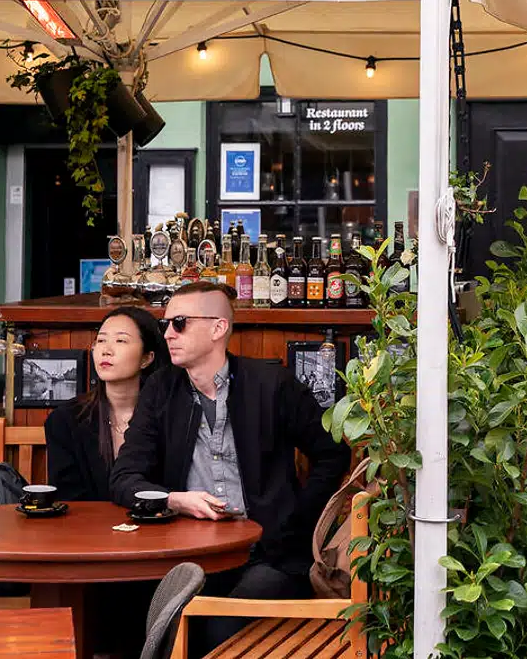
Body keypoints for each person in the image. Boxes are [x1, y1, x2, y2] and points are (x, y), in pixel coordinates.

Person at [110, 279, 352, 653]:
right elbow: (124, 478)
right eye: (165, 324)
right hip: (191, 555)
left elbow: (332, 454)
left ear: (218, 328)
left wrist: (294, 520)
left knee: (218, 624)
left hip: (270, 554)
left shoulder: (271, 384)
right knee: (144, 612)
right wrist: (176, 499)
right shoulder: (161, 389)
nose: (168, 334)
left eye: (179, 323)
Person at [45, 305, 169, 502]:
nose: (106, 350)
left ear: (146, 358)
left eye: (121, 341)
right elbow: (67, 497)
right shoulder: (65, 420)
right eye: (101, 340)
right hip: (86, 521)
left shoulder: (168, 416)